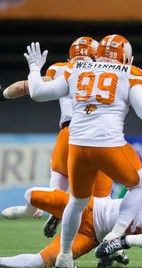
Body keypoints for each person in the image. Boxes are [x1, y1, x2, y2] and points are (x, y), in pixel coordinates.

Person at [24, 34, 142, 268]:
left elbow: (38, 93)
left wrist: (34, 69)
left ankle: (64, 255)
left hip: (77, 146)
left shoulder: (77, 69)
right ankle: (114, 235)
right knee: (140, 184)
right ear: (125, 56)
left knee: (77, 202)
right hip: (109, 145)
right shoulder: (129, 73)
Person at [0, 37, 114, 238]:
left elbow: (27, 88)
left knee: (57, 193)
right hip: (100, 134)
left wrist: (3, 93)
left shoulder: (63, 69)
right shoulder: (109, 71)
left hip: (69, 133)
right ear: (97, 54)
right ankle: (109, 245)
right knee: (102, 203)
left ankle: (49, 210)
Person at [0, 186, 142, 268]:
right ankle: (29, 211)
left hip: (90, 237)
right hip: (88, 208)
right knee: (31, 195)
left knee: (41, 262)